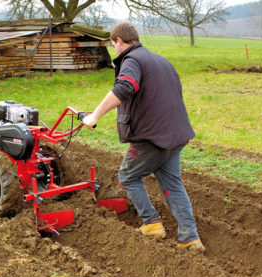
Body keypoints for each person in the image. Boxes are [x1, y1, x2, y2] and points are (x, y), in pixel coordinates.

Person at [82, 22, 204, 251]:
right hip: (176, 133)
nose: (115, 50)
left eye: (113, 45)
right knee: (173, 184)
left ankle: (151, 224)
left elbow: (125, 87)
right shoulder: (160, 60)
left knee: (127, 176)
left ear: (118, 41)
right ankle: (190, 238)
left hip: (153, 137)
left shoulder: (132, 61)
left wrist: (95, 115)